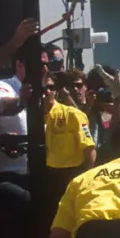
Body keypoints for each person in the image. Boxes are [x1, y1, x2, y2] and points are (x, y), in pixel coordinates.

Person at [0, 46, 48, 188]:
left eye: (46, 65)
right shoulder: (4, 86)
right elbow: (1, 104)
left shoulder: (47, 92)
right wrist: (21, 101)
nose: (44, 70)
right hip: (9, 176)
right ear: (19, 65)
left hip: (40, 173)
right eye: (40, 65)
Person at [43, 73, 96, 207]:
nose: (47, 92)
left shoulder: (72, 115)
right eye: (43, 88)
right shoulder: (27, 116)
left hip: (69, 176)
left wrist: (81, 179)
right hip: (41, 178)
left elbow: (89, 149)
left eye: (51, 87)